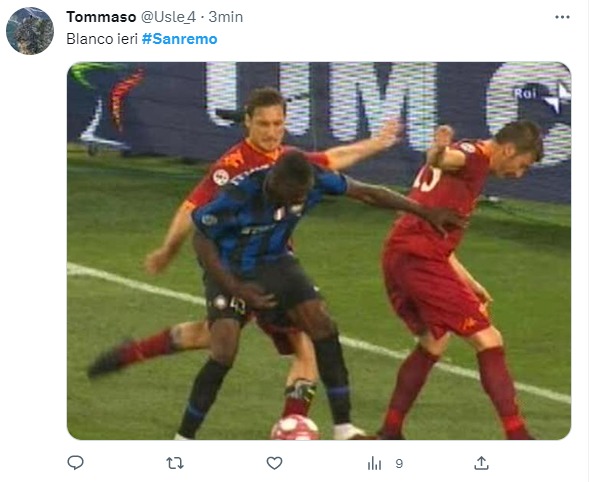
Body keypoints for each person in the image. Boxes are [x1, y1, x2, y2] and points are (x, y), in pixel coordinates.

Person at [88, 87, 405, 421]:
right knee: (298, 345)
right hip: (236, 269)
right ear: (248, 123)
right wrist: (169, 249)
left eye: (277, 124)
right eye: (264, 124)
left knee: (211, 335)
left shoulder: (287, 159)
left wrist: (375, 144)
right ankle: (292, 428)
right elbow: (191, 208)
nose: (271, 132)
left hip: (274, 265)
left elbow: (331, 159)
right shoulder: (232, 167)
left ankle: (133, 352)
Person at [176, 149, 463, 440]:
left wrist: (424, 212)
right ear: (276, 183)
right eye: (295, 195)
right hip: (229, 266)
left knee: (322, 325)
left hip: (274, 260)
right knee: (224, 350)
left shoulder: (315, 178)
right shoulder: (239, 195)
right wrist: (234, 287)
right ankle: (184, 439)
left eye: (305, 193)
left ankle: (344, 429)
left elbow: (368, 193)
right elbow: (202, 240)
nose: (301, 200)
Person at [377, 120, 544, 440]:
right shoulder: (473, 158)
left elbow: (438, 236)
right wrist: (438, 150)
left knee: (434, 341)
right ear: (509, 150)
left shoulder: (469, 153)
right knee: (489, 339)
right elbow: (442, 159)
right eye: (522, 165)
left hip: (401, 255)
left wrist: (469, 282)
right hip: (420, 261)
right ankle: (519, 438)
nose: (519, 174)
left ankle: (390, 430)